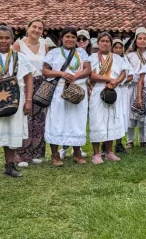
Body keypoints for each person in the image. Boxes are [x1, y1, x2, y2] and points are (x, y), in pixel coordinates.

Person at [0, 25, 35, 182]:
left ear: (12, 39)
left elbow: (29, 78)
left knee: (12, 131)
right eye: (0, 37)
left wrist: (29, 100)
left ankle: (10, 166)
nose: (3, 40)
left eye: (7, 37)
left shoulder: (19, 57)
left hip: (16, 98)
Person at [43, 27, 92, 167]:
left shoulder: (81, 52)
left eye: (73, 37)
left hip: (77, 90)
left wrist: (76, 76)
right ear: (62, 38)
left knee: (77, 121)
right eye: (67, 37)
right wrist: (61, 74)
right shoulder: (54, 53)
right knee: (56, 120)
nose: (70, 40)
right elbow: (45, 71)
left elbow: (88, 69)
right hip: (59, 90)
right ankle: (55, 154)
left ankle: (76, 152)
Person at [14, 19, 53, 167]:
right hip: (24, 84)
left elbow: (47, 66)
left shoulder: (45, 45)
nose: (37, 30)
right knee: (25, 118)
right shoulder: (19, 44)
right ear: (28, 28)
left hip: (42, 84)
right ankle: (22, 154)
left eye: (40, 28)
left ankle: (37, 152)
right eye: (34, 27)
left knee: (40, 119)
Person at [89, 32, 128, 164]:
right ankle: (96, 153)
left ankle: (110, 152)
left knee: (112, 120)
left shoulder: (117, 58)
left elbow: (124, 72)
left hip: (113, 90)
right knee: (97, 120)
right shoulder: (92, 57)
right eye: (102, 41)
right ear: (98, 43)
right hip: (98, 90)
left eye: (107, 41)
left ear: (111, 44)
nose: (105, 43)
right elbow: (92, 75)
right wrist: (109, 79)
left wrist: (116, 82)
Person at [59, 29, 91, 160]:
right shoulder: (61, 52)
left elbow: (89, 70)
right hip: (66, 87)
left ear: (89, 41)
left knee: (78, 119)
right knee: (65, 118)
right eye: (79, 39)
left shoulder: (85, 53)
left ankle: (77, 148)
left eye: (84, 39)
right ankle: (64, 147)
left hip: (81, 87)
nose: (81, 41)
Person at [126, 27, 146, 149]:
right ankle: (130, 140)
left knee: (144, 113)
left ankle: (143, 139)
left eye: (144, 38)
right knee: (131, 113)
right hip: (132, 87)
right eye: (140, 38)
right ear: (135, 40)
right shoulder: (129, 55)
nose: (142, 41)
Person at [111, 38, 133, 154]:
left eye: (120, 48)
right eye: (116, 47)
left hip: (123, 91)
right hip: (111, 91)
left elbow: (131, 75)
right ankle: (106, 145)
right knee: (111, 117)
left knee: (121, 117)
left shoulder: (125, 60)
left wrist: (120, 81)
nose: (118, 50)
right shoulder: (108, 59)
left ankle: (119, 144)